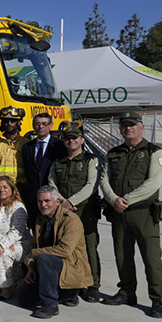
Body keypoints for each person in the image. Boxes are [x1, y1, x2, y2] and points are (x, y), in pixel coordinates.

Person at [99, 111, 162, 319]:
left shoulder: (154, 152)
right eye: (124, 125)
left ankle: (158, 300)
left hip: (144, 214)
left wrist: (125, 200)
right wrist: (113, 200)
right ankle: (127, 292)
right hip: (119, 214)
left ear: (141, 128)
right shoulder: (113, 153)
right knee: (122, 256)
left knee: (151, 258)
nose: (128, 128)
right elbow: (104, 179)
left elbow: (153, 183)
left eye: (132, 125)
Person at [20, 186, 93, 319]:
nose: (43, 205)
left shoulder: (71, 220)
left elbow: (65, 250)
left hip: (68, 266)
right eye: (40, 201)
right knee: (25, 300)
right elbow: (34, 245)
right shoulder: (40, 219)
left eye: (47, 201)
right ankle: (65, 295)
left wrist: (34, 254)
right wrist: (31, 267)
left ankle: (51, 304)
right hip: (47, 267)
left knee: (44, 258)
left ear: (57, 202)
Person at [48, 125, 103, 302]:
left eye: (74, 138)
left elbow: (91, 185)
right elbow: (52, 182)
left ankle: (93, 285)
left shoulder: (91, 160)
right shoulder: (58, 162)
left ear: (82, 140)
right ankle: (72, 284)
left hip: (85, 210)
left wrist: (71, 201)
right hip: (64, 210)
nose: (71, 141)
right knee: (66, 247)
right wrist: (62, 200)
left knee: (89, 247)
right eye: (67, 138)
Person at [0, 175, 31, 299]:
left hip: (21, 243)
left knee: (5, 253)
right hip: (0, 243)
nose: (2, 190)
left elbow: (17, 231)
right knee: (4, 255)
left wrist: (3, 245)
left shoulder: (18, 207)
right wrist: (1, 242)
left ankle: (6, 288)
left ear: (12, 189)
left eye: (5, 187)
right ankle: (14, 282)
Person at [21, 112, 66, 217]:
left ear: (51, 125)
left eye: (44, 124)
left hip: (52, 197)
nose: (40, 127)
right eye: (37, 124)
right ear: (33, 126)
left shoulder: (60, 145)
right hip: (33, 198)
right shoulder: (27, 147)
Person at [0, 106, 27, 188]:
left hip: (19, 186)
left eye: (13, 121)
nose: (9, 123)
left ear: (19, 122)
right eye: (6, 121)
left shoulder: (25, 144)